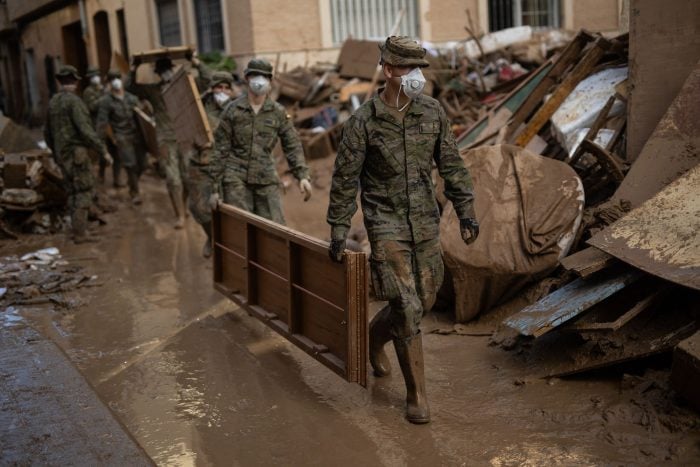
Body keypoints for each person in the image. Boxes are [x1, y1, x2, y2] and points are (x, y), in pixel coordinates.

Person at [326, 36, 479, 424]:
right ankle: (417, 396)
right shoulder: (363, 122)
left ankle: (374, 339)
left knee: (422, 300)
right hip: (386, 223)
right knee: (407, 307)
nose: (416, 77)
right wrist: (339, 228)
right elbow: (344, 180)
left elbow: (451, 164)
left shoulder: (432, 112)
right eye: (409, 69)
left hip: (425, 220)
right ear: (389, 70)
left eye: (419, 70)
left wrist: (466, 211)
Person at [208, 58, 312, 224]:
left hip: (266, 176)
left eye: (264, 76)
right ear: (247, 78)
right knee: (239, 227)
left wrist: (302, 176)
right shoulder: (233, 111)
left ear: (270, 81)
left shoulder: (278, 112)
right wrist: (214, 188)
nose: (259, 80)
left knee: (275, 228)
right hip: (235, 178)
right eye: (255, 75)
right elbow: (220, 149)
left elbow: (292, 144)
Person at [127, 51, 211, 228]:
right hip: (166, 139)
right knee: (173, 178)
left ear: (172, 70)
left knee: (188, 177)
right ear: (158, 73)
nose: (166, 73)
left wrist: (196, 62)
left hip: (185, 137)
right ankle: (179, 215)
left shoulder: (185, 85)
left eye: (168, 69)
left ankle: (184, 206)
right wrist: (134, 68)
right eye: (163, 70)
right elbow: (130, 87)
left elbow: (207, 80)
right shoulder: (153, 91)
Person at [44, 65, 113, 244]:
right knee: (84, 191)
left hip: (62, 156)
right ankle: (80, 234)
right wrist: (103, 150)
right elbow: (86, 130)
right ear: (74, 81)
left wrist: (56, 152)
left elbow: (47, 133)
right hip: (77, 155)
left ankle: (79, 230)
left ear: (60, 81)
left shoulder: (53, 102)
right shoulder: (75, 102)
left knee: (72, 193)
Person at [188, 71, 235, 258]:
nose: (222, 91)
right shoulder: (198, 108)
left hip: (228, 164)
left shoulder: (237, 108)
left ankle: (231, 245)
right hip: (202, 163)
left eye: (226, 88)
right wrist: (197, 139)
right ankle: (212, 236)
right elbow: (185, 131)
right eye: (218, 87)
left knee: (231, 208)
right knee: (199, 207)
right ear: (212, 88)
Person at [96, 70, 144, 205]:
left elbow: (142, 113)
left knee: (143, 164)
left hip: (136, 135)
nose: (116, 81)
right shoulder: (106, 101)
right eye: (113, 79)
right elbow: (103, 123)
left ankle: (132, 180)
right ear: (109, 83)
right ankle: (135, 193)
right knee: (130, 164)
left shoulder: (131, 98)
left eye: (118, 78)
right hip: (121, 136)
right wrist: (112, 138)